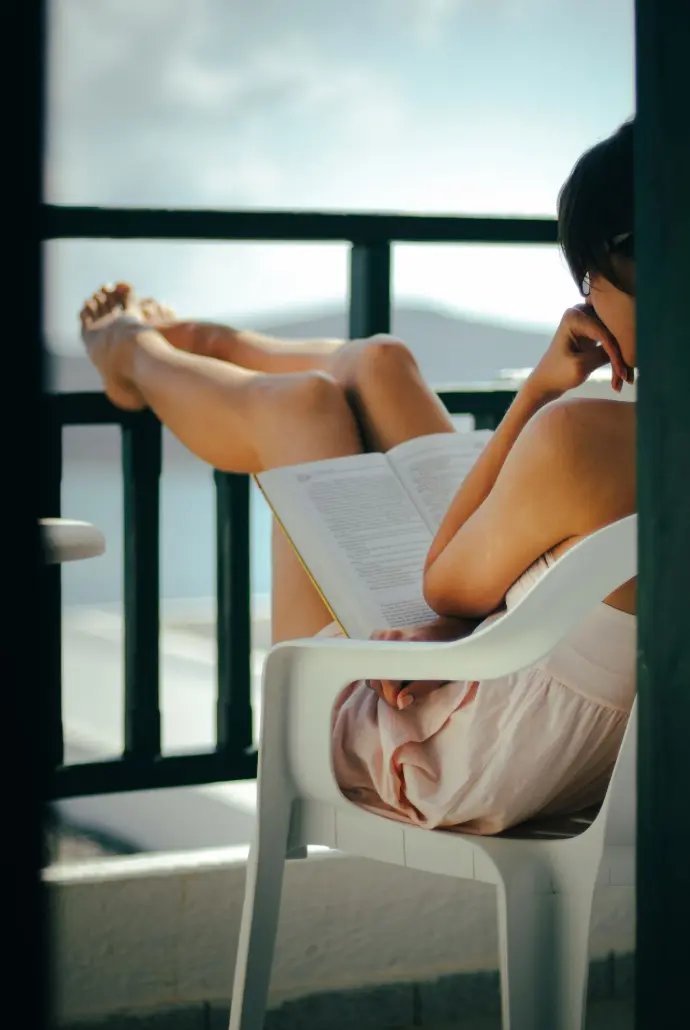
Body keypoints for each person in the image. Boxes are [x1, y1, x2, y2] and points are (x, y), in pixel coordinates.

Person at [79, 119, 636, 834]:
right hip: (565, 727)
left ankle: (134, 354)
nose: (584, 299)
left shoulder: (576, 434)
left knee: (304, 406)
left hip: (439, 748)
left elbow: (443, 582)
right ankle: (212, 345)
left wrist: (536, 392)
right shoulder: (640, 436)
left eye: (589, 274)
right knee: (383, 364)